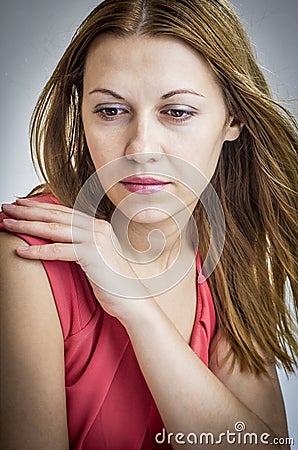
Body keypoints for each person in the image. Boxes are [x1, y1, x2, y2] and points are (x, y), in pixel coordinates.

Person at [0, 0, 297, 449]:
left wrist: (138, 312)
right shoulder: (28, 257)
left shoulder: (229, 243)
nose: (141, 146)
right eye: (111, 110)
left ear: (232, 118)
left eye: (176, 112)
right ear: (82, 115)